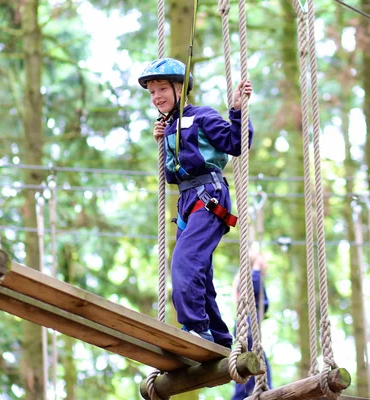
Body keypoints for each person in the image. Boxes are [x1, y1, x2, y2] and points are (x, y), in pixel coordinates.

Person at [138, 58, 253, 347]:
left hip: (208, 195)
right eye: (152, 92)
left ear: (180, 89)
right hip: (187, 202)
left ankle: (195, 325)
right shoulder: (168, 128)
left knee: (186, 262)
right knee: (200, 271)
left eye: (162, 89)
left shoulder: (201, 116)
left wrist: (237, 110)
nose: (157, 97)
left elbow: (236, 143)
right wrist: (163, 142)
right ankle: (220, 337)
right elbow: (172, 175)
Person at [232, 251, 272, 399]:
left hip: (247, 325)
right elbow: (250, 289)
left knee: (251, 365)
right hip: (247, 326)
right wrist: (256, 269)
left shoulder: (251, 278)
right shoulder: (250, 277)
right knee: (253, 365)